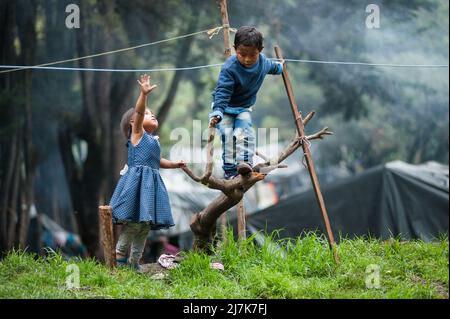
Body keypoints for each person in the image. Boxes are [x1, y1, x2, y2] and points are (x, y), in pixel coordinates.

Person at [109, 74, 185, 271]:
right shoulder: (137, 136)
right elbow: (140, 112)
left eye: (153, 114)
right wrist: (143, 95)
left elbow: (158, 161)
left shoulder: (153, 141)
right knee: (133, 224)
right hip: (137, 186)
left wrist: (175, 164)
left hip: (150, 187)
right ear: (133, 123)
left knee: (144, 227)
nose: (152, 115)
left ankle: (135, 263)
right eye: (146, 114)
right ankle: (119, 258)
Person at [209, 26, 284, 179]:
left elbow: (274, 67)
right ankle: (230, 171)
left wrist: (281, 66)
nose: (247, 59)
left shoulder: (263, 63)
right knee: (228, 136)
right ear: (235, 49)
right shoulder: (229, 68)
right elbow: (222, 92)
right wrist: (217, 112)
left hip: (243, 107)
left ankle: (245, 164)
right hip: (224, 108)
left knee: (245, 133)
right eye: (242, 54)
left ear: (260, 50)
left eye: (253, 55)